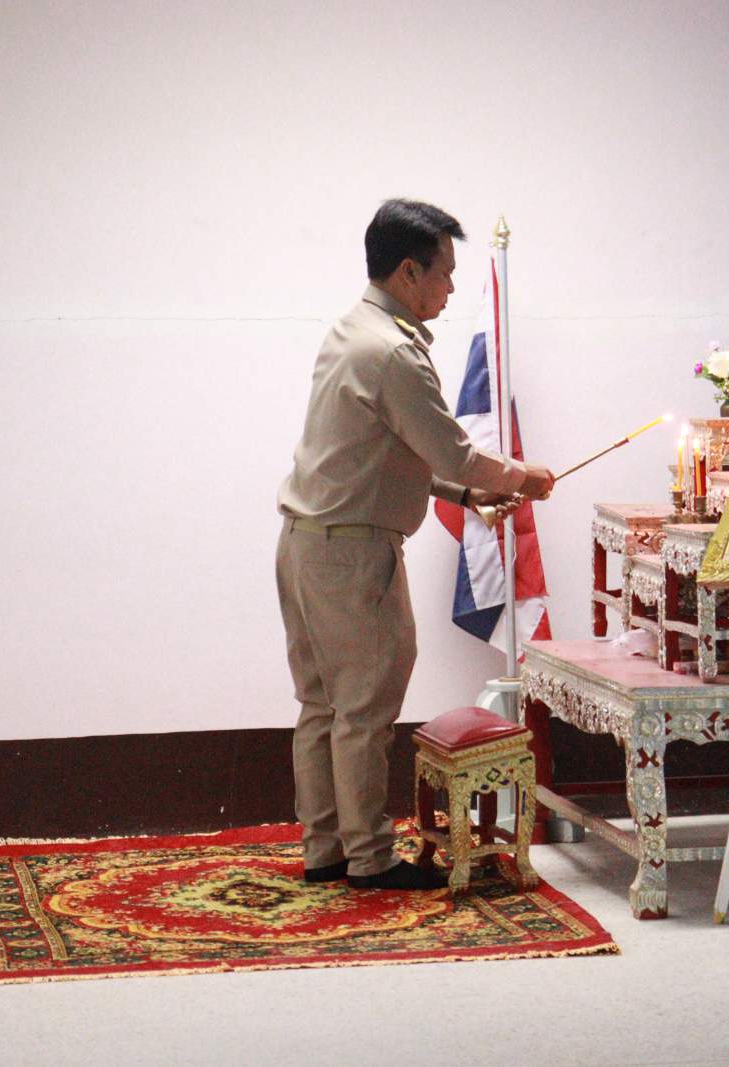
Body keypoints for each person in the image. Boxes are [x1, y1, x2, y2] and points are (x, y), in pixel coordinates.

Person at [275, 199, 555, 890]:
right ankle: (370, 859)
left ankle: (325, 850)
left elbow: (382, 451)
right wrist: (522, 477)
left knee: (322, 705)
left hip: (306, 543)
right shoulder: (394, 352)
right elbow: (452, 451)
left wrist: (465, 496)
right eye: (444, 272)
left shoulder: (352, 329)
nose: (452, 287)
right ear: (408, 272)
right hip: (353, 555)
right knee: (365, 709)